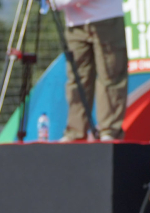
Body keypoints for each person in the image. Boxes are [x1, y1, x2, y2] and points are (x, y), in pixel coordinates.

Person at [50, 0, 128, 142]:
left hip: (106, 17)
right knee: (77, 78)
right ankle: (75, 132)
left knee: (110, 75)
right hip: (74, 22)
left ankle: (109, 132)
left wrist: (58, 2)